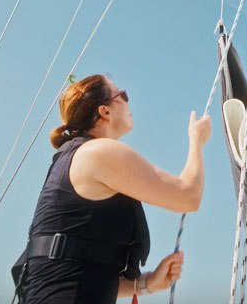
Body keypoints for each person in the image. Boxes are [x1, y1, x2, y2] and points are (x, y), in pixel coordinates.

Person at [17, 74, 212, 303]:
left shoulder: (74, 159)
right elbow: (188, 196)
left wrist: (147, 283)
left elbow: (76, 272)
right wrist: (197, 141)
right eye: (123, 95)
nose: (129, 101)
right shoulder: (99, 153)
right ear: (104, 112)